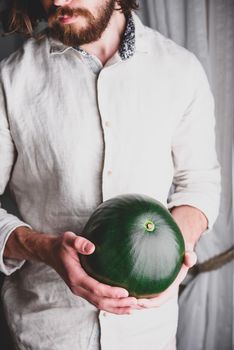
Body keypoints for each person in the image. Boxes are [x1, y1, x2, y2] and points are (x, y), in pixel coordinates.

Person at [0, 1, 221, 349]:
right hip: (47, 334)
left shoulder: (181, 70)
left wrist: (171, 251)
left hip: (149, 335)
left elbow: (200, 184)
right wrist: (44, 248)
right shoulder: (10, 79)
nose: (56, 0)